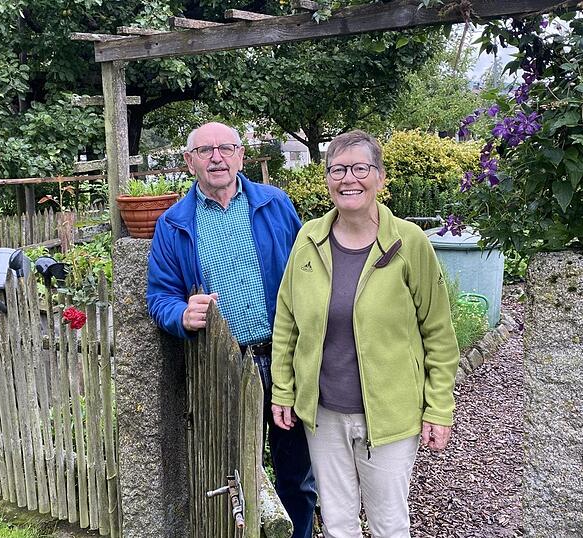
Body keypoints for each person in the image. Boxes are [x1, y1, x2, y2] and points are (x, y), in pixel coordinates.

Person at [270, 130, 459, 538]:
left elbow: (439, 334)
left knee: (388, 523)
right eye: (338, 169)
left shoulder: (409, 242)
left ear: (380, 177)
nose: (348, 178)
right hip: (323, 415)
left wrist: (439, 408)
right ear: (327, 178)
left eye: (360, 168)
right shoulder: (308, 238)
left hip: (390, 414)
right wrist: (283, 389)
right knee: (338, 522)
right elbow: (287, 319)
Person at [146, 121, 318, 537]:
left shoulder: (276, 204)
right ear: (190, 162)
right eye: (205, 151)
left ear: (241, 155)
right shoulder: (173, 224)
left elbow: (309, 273)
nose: (217, 158)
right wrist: (181, 315)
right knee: (228, 472)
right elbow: (160, 296)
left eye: (226, 148)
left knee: (296, 472)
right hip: (220, 365)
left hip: (282, 359)